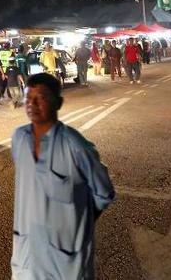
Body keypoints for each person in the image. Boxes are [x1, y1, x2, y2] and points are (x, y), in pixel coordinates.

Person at [11, 73, 115, 279]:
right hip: (26, 262)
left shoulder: (75, 146)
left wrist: (78, 221)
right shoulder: (19, 138)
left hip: (66, 267)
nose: (32, 104)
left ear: (58, 103)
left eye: (40, 98)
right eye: (27, 98)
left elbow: (104, 194)